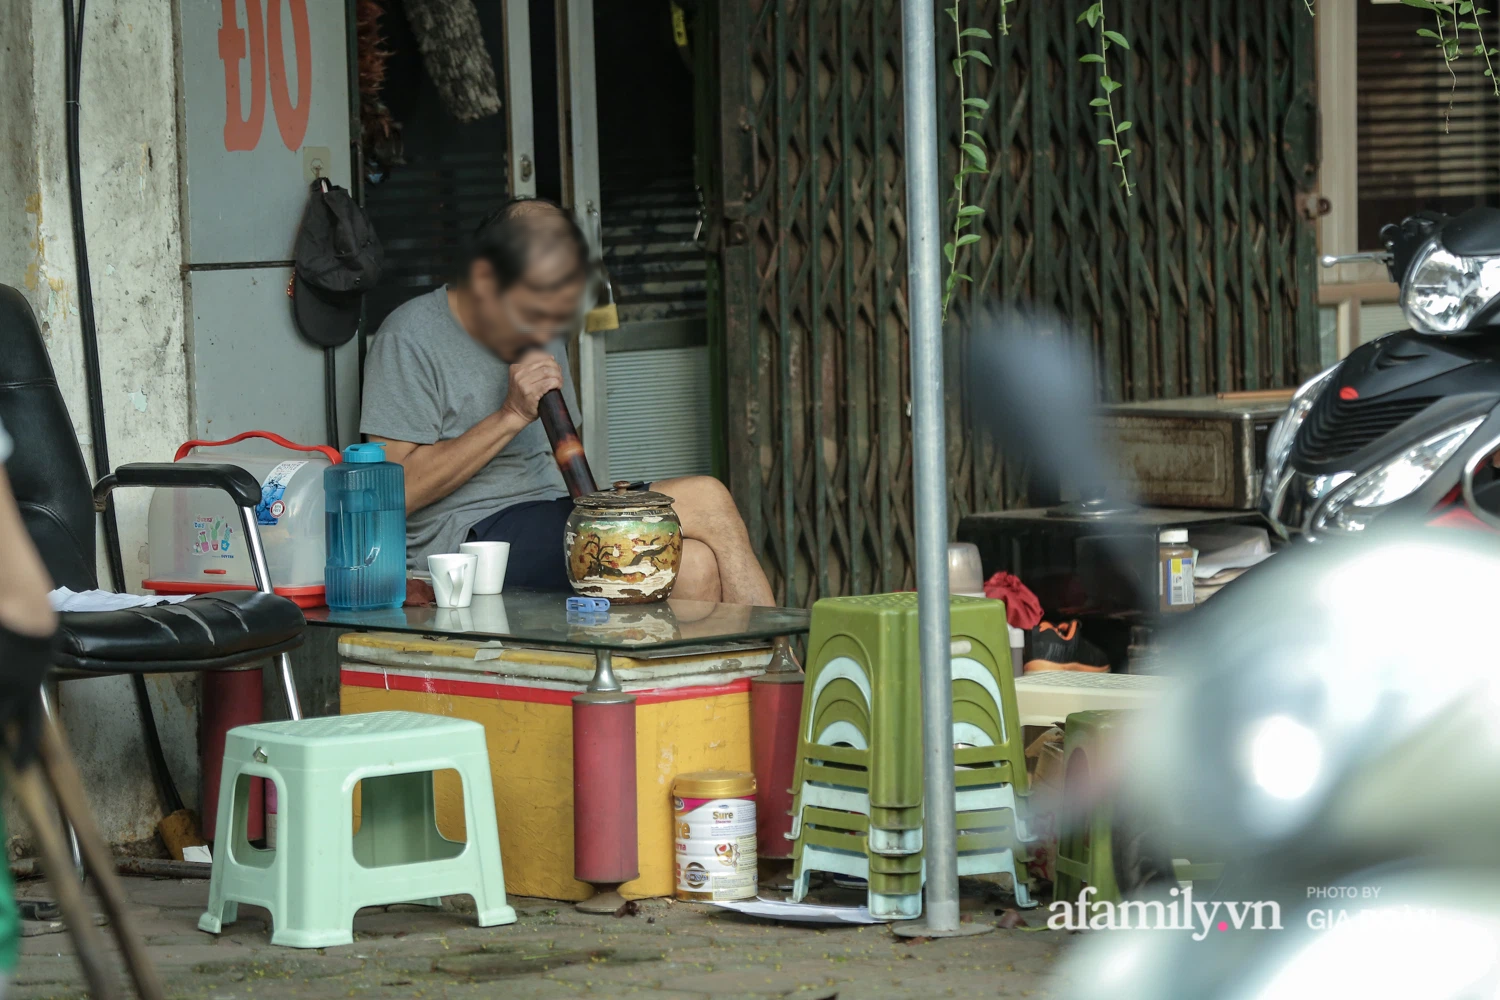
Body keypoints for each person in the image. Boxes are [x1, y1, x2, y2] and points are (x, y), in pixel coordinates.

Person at [360, 199, 777, 606]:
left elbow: (563, 455)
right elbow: (393, 493)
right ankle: (782, 664)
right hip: (468, 540)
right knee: (707, 496)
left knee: (694, 565)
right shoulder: (409, 337)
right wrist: (511, 415)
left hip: (553, 517)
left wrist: (599, 513)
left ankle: (723, 673)